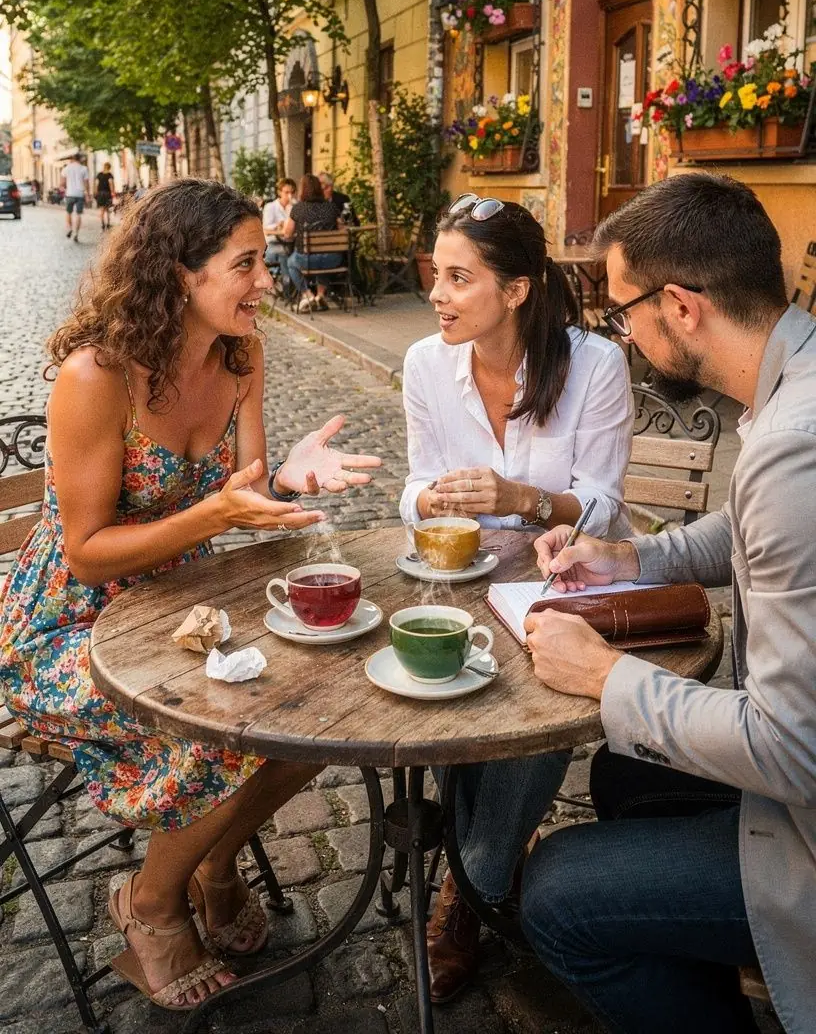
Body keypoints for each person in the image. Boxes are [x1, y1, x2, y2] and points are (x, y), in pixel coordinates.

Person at [0, 179, 381, 1012]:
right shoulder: (97, 374)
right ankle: (151, 906)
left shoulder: (240, 354)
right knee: (221, 729)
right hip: (71, 628)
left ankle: (211, 862)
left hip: (180, 612)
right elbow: (87, 553)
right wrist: (215, 510)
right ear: (180, 274)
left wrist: (283, 477)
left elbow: (243, 486)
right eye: (245, 264)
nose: (265, 279)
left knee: (316, 705)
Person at [521, 172, 815, 1034]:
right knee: (624, 769)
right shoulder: (790, 385)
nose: (624, 336)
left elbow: (792, 750)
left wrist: (606, 674)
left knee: (556, 892)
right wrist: (627, 555)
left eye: (623, 314)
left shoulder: (794, 447)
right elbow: (746, 533)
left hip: (802, 829)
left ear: (680, 306)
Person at [400, 194, 633, 1003]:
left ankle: (466, 885)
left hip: (567, 577)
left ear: (518, 290)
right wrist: (431, 504)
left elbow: (599, 504)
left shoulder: (594, 365)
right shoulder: (427, 363)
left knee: (538, 694)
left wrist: (519, 495)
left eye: (460, 278)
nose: (437, 293)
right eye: (437, 273)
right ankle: (479, 855)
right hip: (462, 577)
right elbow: (417, 485)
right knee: (431, 674)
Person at [282, 173, 342, 313]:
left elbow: (287, 233)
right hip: (332, 260)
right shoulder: (331, 207)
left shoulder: (298, 208)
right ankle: (320, 296)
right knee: (324, 255)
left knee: (290, 263)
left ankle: (308, 295)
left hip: (306, 260)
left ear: (303, 190)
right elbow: (341, 230)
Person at [262, 177, 296, 287]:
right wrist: (279, 225)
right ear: (279, 192)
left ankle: (294, 288)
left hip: (292, 242)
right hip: (274, 243)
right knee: (284, 253)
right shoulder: (271, 207)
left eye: (292, 192)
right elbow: (266, 229)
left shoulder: (294, 207)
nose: (289, 196)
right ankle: (288, 289)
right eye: (286, 192)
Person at [61, 153, 90, 243]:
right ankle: (76, 234)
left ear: (72, 159)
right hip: (80, 194)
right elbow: (86, 184)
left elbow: (62, 183)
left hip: (69, 193)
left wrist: (65, 187)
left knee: (68, 213)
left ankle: (69, 228)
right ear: (80, 159)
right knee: (78, 214)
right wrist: (87, 194)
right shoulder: (84, 169)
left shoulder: (66, 168)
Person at [95, 162, 115, 231]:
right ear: (109, 167)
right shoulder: (109, 175)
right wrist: (113, 192)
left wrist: (96, 192)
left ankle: (103, 224)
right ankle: (108, 224)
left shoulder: (99, 174)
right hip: (107, 194)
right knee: (107, 209)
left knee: (102, 210)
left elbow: (96, 184)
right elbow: (111, 183)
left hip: (100, 194)